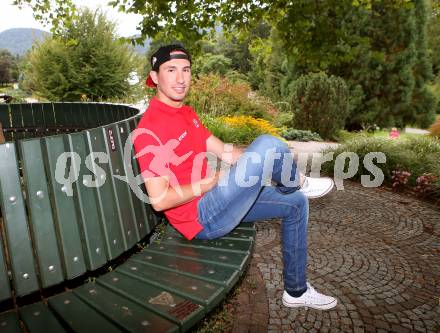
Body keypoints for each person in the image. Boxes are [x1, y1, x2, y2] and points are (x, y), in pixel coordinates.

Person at [133, 44, 337, 310]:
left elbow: (227, 152)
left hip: (215, 199)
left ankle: (296, 292)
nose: (181, 78)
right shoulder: (150, 128)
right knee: (269, 144)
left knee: (297, 202)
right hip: (201, 217)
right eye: (171, 70)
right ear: (156, 76)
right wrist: (207, 183)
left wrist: (258, 158)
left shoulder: (186, 113)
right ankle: (297, 181)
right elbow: (159, 200)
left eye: (186, 70)